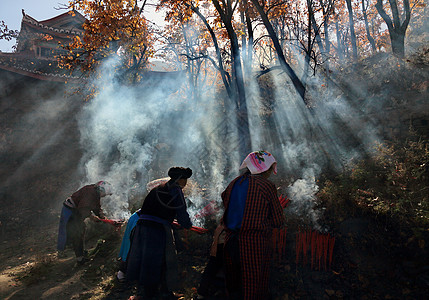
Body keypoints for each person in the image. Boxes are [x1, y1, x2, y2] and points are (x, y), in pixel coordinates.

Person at [221, 151, 285, 299]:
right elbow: (278, 221)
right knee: (252, 284)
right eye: (270, 168)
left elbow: (224, 200)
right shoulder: (266, 186)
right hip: (253, 243)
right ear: (264, 168)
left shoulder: (234, 183)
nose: (270, 172)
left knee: (233, 283)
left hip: (230, 241)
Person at [126, 167, 193, 300]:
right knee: (164, 260)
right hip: (156, 230)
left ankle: (148, 293)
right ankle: (164, 293)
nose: (185, 183)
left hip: (142, 227)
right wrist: (188, 225)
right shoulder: (176, 189)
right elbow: (181, 213)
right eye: (185, 179)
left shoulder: (159, 188)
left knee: (146, 261)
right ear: (181, 179)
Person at [57, 181, 113, 264]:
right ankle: (73, 256)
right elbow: (82, 209)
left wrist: (102, 217)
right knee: (74, 231)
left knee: (80, 229)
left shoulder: (95, 193)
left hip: (76, 210)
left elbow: (96, 206)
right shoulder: (90, 193)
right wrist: (92, 217)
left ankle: (78, 251)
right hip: (70, 210)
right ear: (101, 190)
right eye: (104, 194)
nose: (104, 196)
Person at [194, 223, 226, 300]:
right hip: (222, 243)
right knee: (212, 268)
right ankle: (202, 293)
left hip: (224, 241)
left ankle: (202, 293)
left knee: (212, 268)